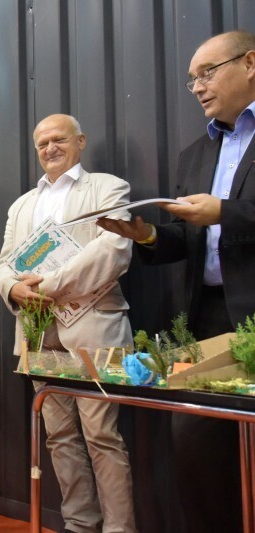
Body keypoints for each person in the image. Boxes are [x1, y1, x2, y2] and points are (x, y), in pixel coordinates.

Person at [97, 30, 255, 533]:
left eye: (207, 73)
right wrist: (145, 235)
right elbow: (187, 241)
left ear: (250, 63)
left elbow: (222, 216)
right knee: (197, 452)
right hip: (206, 319)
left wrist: (225, 212)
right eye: (192, 80)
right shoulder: (195, 154)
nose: (198, 87)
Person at [0, 114, 137, 533]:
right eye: (42, 143)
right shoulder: (22, 204)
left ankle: (119, 528)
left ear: (81, 141)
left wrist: (49, 284)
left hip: (95, 326)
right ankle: (79, 524)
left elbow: (113, 250)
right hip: (38, 330)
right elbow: (3, 263)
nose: (50, 148)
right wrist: (13, 289)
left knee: (102, 436)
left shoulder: (108, 188)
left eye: (59, 139)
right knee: (58, 437)